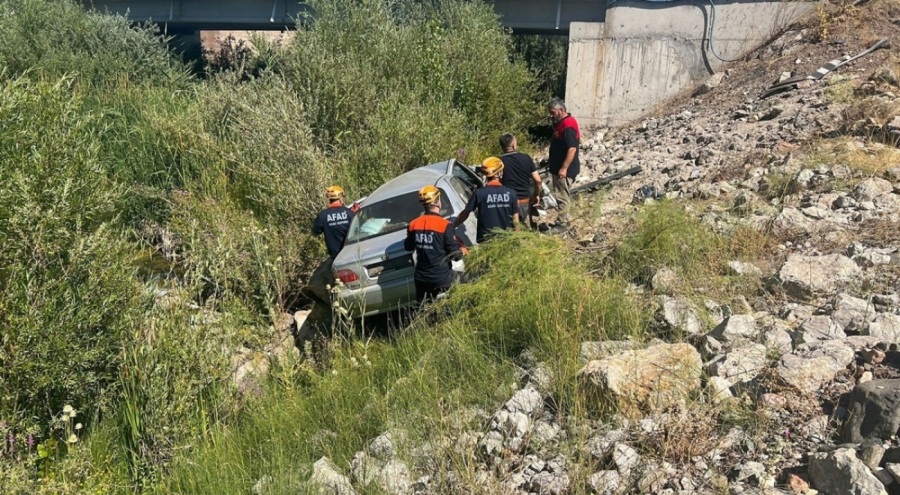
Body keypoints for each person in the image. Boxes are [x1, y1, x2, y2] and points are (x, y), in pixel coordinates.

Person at [405, 185, 468, 302]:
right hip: (443, 278)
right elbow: (455, 256)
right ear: (437, 201)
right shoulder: (445, 225)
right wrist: (462, 250)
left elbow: (408, 247)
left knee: (425, 310)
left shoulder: (413, 224)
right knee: (467, 280)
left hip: (421, 279)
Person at [453, 157, 519, 243]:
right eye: (501, 170)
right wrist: (518, 239)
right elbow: (516, 221)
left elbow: (465, 213)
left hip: (486, 241)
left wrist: (452, 226)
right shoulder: (511, 193)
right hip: (506, 241)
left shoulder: (479, 193)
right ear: (498, 173)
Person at [547, 97, 581, 226]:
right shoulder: (561, 124)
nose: (552, 116)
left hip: (564, 170)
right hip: (558, 168)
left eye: (553, 113)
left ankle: (562, 223)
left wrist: (564, 168)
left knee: (562, 196)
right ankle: (565, 220)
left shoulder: (568, 124)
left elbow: (572, 148)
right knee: (561, 195)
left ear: (561, 110)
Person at [497, 132, 542, 228]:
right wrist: (536, 194)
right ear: (513, 145)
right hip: (524, 202)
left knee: (508, 230)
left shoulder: (499, 162)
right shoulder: (526, 158)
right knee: (523, 228)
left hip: (507, 202)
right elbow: (538, 180)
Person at [313, 185, 356, 259]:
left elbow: (315, 231)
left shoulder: (323, 215)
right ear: (340, 198)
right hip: (351, 253)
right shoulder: (349, 213)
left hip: (336, 257)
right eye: (343, 196)